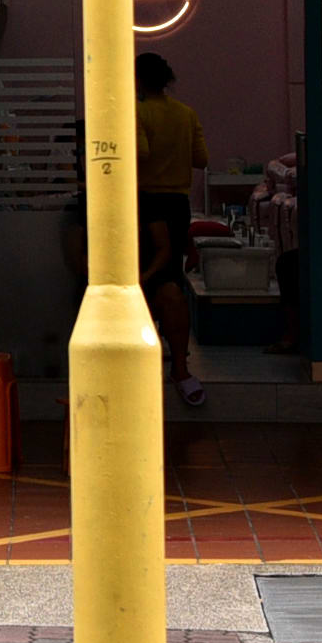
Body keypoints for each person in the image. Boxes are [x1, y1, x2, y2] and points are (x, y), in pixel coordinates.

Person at [135, 52, 208, 409]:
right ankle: (179, 366)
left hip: (144, 200)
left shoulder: (138, 112)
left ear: (137, 80)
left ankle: (146, 361)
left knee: (145, 278)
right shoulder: (186, 114)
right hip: (178, 204)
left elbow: (140, 153)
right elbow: (201, 159)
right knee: (170, 279)